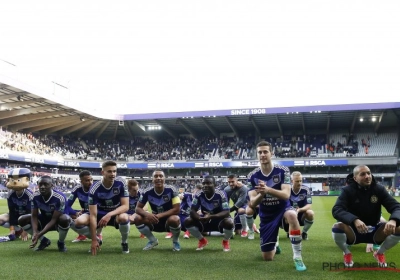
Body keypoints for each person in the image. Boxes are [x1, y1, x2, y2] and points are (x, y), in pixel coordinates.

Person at [247, 141, 306, 271]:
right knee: (267, 257)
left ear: (271, 153)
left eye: (265, 151)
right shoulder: (252, 176)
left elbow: (286, 195)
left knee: (292, 215)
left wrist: (267, 190)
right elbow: (252, 203)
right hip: (266, 214)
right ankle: (275, 243)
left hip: (283, 208)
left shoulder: (282, 171)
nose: (262, 154)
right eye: (260, 152)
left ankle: (297, 257)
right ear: (257, 155)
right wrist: (262, 194)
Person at [332, 165, 400, 267]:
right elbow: (337, 209)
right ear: (355, 178)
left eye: (368, 173)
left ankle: (379, 253)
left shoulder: (379, 189)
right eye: (362, 174)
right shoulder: (347, 190)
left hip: (374, 232)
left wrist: (394, 220)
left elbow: (396, 206)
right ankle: (347, 253)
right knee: (337, 227)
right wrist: (354, 220)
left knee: (399, 228)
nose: (367, 176)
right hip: (353, 231)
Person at [18, 176, 71, 252]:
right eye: (40, 184)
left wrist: (38, 234)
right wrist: (35, 232)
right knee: (22, 219)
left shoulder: (60, 197)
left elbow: (54, 219)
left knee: (65, 219)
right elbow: (34, 215)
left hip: (57, 222)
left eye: (45, 184)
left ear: (52, 185)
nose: (42, 187)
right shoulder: (35, 196)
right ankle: (44, 241)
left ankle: (61, 242)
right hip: (44, 219)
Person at [88, 161, 130, 255]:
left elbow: (126, 206)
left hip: (115, 213)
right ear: (103, 173)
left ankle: (124, 242)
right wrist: (93, 240)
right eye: (109, 171)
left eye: (114, 171)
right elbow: (93, 215)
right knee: (79, 222)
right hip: (100, 214)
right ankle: (98, 240)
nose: (113, 174)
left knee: (124, 217)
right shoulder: (94, 188)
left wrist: (109, 214)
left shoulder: (121, 183)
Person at [134, 169, 182, 251]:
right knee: (137, 218)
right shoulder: (147, 192)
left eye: (161, 176)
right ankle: (152, 240)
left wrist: (160, 215)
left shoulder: (172, 190)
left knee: (175, 219)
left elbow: (177, 209)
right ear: (152, 179)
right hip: (154, 220)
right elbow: (137, 208)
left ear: (164, 179)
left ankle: (175, 241)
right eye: (156, 176)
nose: (158, 178)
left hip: (168, 220)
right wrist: (147, 214)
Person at [184, 175, 234, 252]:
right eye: (204, 183)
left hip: (219, 220)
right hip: (205, 219)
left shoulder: (221, 194)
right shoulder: (198, 194)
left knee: (230, 222)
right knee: (187, 221)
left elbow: (226, 212)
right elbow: (192, 210)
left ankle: (225, 241)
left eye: (209, 183)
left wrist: (211, 216)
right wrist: (200, 218)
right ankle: (202, 240)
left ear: (215, 185)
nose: (205, 186)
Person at [68, 170, 103, 243]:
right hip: (84, 212)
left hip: (97, 211)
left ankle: (98, 234)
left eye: (91, 179)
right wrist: (75, 213)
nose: (90, 182)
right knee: (65, 215)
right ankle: (82, 235)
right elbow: (67, 205)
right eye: (87, 180)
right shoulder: (77, 189)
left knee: (98, 214)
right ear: (81, 181)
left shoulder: (97, 188)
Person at [0, 168, 34, 242]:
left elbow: (30, 214)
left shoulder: (29, 195)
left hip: (29, 217)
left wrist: (26, 231)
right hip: (16, 215)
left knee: (33, 222)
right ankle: (18, 230)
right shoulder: (10, 194)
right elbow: (11, 212)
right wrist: (12, 229)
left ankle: (32, 232)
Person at [283, 171, 314, 240]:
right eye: (297, 181)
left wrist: (300, 209)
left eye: (300, 181)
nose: (299, 183)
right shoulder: (287, 189)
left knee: (310, 213)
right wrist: (291, 211)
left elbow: (309, 205)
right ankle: (289, 231)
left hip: (301, 214)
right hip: (289, 214)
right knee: (285, 213)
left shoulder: (306, 189)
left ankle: (304, 232)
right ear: (292, 181)